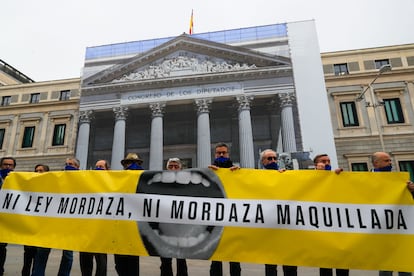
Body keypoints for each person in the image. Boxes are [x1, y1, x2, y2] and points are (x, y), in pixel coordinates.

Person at [32, 158, 79, 276]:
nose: (68, 166)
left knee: (68, 255)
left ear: (77, 167)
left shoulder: (82, 181)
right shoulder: (56, 178)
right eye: (67, 164)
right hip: (50, 223)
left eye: (71, 164)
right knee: (42, 252)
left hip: (69, 224)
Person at [371, 152, 412, 276]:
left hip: (399, 226)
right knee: (385, 264)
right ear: (376, 163)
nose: (390, 163)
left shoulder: (399, 180)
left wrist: (412, 190)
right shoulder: (365, 179)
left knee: (403, 261)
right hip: (379, 227)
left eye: (390, 160)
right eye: (386, 160)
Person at [260, 149, 297, 276]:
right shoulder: (256, 178)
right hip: (268, 228)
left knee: (290, 265)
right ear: (262, 162)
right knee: (270, 266)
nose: (273, 161)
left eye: (275, 158)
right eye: (269, 159)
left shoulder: (285, 175)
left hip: (287, 227)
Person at [313, 154, 349, 276]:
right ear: (316, 165)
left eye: (329, 161)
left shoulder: (337, 177)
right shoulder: (308, 179)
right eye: (323, 161)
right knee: (325, 267)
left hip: (339, 229)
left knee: (342, 265)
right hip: (322, 230)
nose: (327, 163)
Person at [208, 143, 240, 276]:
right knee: (216, 258)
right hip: (216, 219)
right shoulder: (209, 171)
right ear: (215, 154)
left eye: (224, 153)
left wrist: (240, 174)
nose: (221, 155)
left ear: (228, 154)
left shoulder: (237, 171)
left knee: (234, 260)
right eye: (219, 153)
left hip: (232, 219)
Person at [78, 160, 109, 276]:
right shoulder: (87, 182)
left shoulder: (112, 183)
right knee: (85, 258)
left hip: (101, 228)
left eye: (101, 167)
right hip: (86, 228)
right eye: (96, 167)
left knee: (101, 260)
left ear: (107, 170)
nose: (98, 169)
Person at [114, 153, 143, 276]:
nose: (131, 165)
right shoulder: (117, 179)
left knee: (132, 263)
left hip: (133, 228)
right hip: (119, 227)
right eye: (128, 163)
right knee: (119, 264)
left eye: (134, 163)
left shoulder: (143, 179)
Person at [159, 158, 188, 276]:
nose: (173, 169)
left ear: (181, 168)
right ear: (166, 169)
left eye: (176, 166)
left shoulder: (187, 184)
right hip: (165, 227)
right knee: (165, 259)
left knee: (181, 259)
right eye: (170, 166)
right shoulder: (160, 184)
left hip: (181, 227)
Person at [21, 165, 50, 276]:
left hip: (44, 231)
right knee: (27, 257)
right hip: (30, 229)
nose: (38, 172)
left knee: (40, 259)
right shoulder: (29, 186)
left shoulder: (52, 187)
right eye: (36, 170)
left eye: (41, 171)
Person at [0, 157, 16, 276]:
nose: (8, 167)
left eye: (10, 165)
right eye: (5, 164)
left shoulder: (17, 181)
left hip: (5, 221)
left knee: (1, 247)